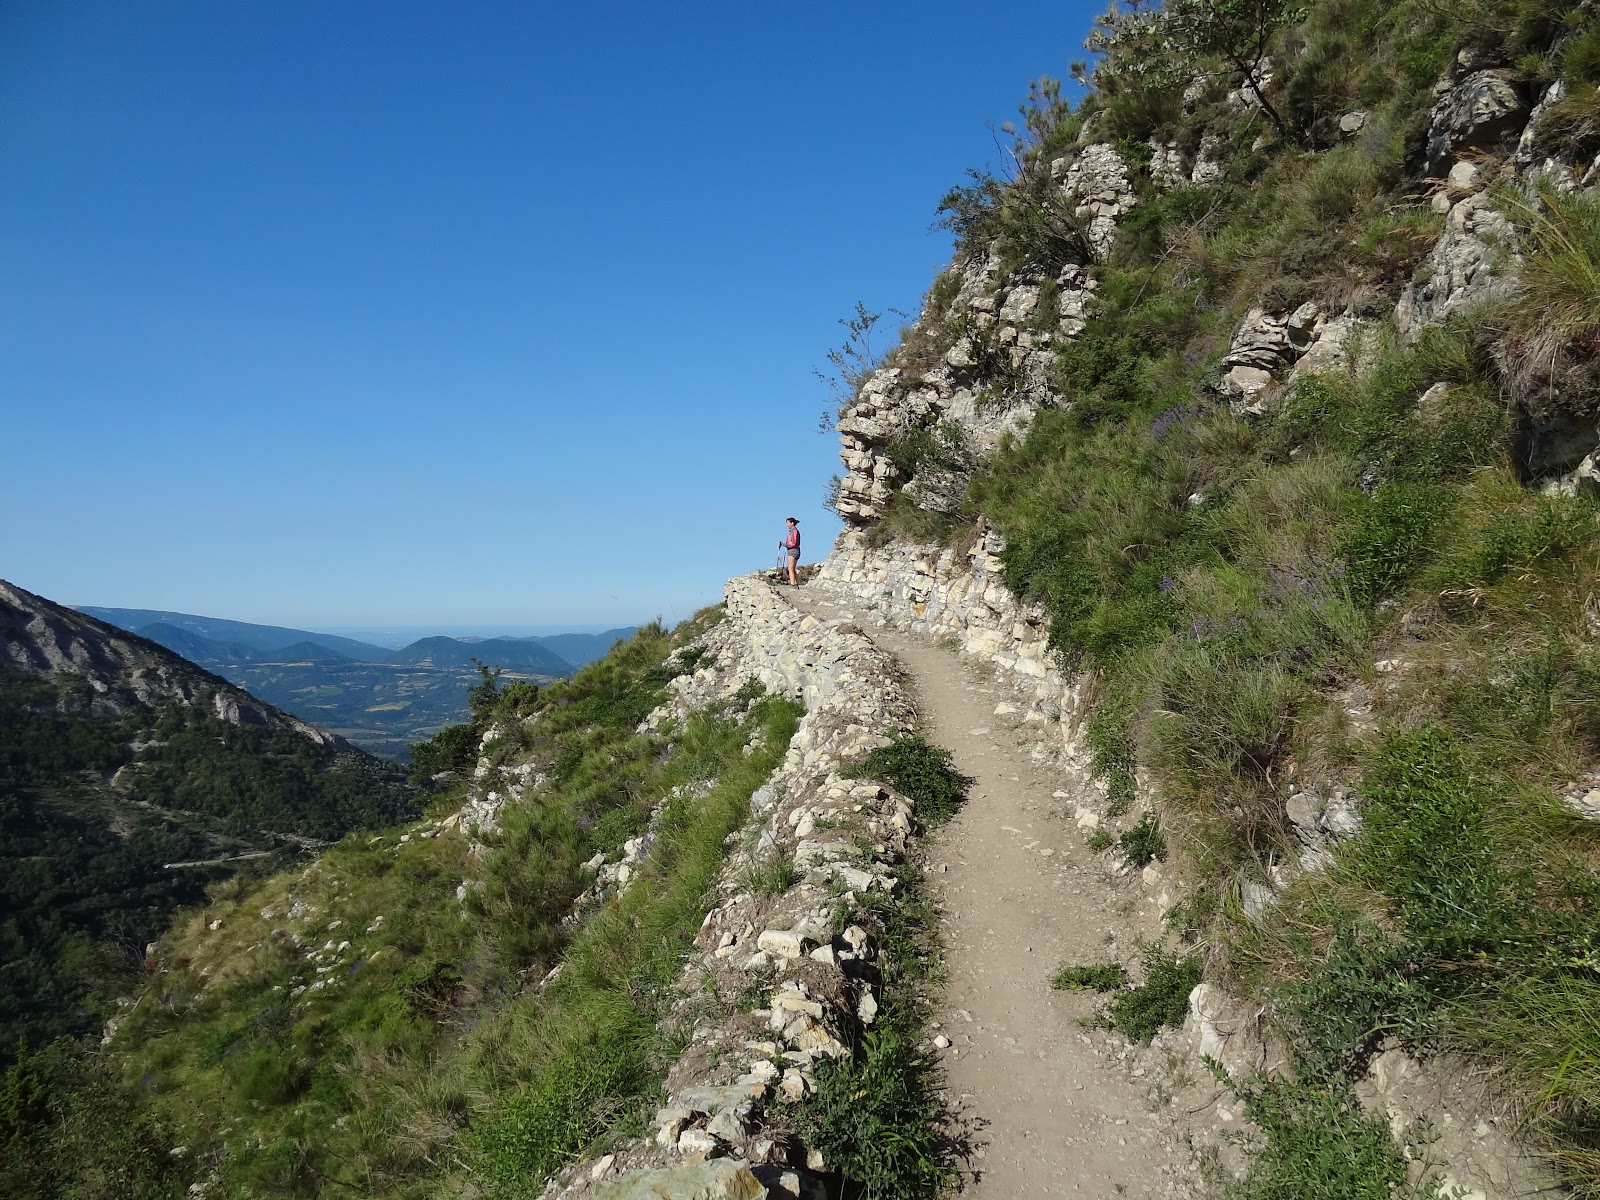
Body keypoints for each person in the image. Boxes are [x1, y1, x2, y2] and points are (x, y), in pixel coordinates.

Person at [779, 517, 801, 586]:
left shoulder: (794, 531)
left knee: (790, 568)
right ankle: (795, 583)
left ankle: (793, 584)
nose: (787, 525)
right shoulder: (794, 531)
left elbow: (793, 543)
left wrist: (786, 545)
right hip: (795, 551)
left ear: (792, 523)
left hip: (792, 551)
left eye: (788, 523)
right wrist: (783, 544)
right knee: (793, 568)